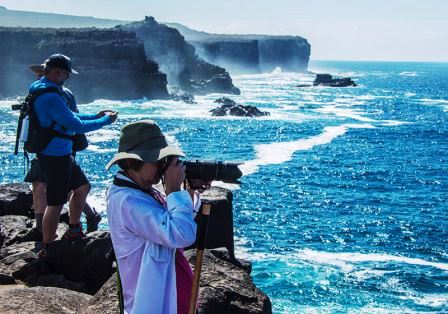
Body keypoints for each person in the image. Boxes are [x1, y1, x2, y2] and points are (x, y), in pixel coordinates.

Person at [106, 120, 210, 314]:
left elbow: (176, 217)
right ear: (131, 162)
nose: (162, 167)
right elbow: (181, 234)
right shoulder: (127, 201)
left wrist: (189, 190)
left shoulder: (142, 191)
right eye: (156, 161)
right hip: (152, 303)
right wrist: (172, 190)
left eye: (164, 161)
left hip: (165, 295)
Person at [31, 53, 118, 256]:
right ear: (57, 72)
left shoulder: (49, 90)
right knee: (55, 203)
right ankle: (48, 246)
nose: (66, 78)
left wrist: (96, 116)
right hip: (54, 156)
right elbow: (76, 125)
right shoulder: (50, 96)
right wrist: (105, 121)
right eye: (65, 74)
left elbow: (71, 116)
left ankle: (74, 229)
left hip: (61, 153)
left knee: (82, 187)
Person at [24, 63, 102, 235]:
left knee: (56, 188)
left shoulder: (59, 95)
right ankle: (50, 229)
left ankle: (45, 233)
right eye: (39, 74)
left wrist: (100, 120)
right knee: (47, 185)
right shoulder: (40, 91)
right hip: (49, 147)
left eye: (41, 73)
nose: (38, 76)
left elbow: (73, 120)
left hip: (57, 146)